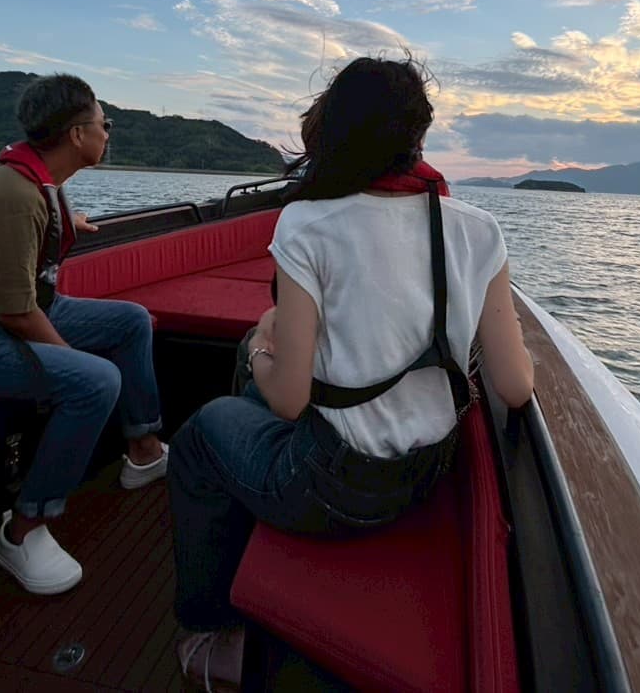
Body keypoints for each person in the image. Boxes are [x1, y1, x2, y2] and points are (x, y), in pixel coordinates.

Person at [167, 57, 536, 689]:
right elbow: (516, 385)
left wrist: (261, 341)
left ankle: (207, 635)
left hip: (333, 488)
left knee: (203, 434)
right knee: (251, 378)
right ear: (417, 136)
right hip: (427, 468)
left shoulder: (308, 223)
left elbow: (286, 400)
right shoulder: (477, 230)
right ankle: (249, 501)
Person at [0, 73, 166, 596]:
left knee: (132, 321)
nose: (107, 133)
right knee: (95, 381)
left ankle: (143, 449)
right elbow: (17, 314)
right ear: (77, 135)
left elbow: (27, 260)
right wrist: (72, 362)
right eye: (104, 124)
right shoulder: (15, 195)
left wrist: (73, 220)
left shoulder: (41, 184)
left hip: (6, 310)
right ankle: (24, 528)